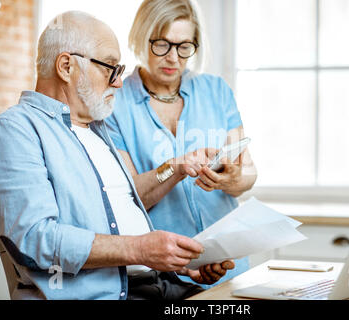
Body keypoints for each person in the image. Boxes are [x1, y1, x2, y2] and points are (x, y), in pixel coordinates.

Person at [0, 11, 234, 300]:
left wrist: (179, 264)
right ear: (66, 66)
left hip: (161, 284)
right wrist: (140, 249)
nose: (119, 82)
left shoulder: (99, 131)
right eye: (110, 68)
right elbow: (35, 239)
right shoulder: (14, 131)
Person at [105, 0, 257, 287]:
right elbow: (128, 197)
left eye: (184, 47)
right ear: (141, 37)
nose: (173, 58)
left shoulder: (216, 91)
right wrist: (175, 169)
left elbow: (248, 174)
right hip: (168, 276)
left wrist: (233, 178)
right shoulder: (117, 103)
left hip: (230, 266)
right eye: (162, 44)